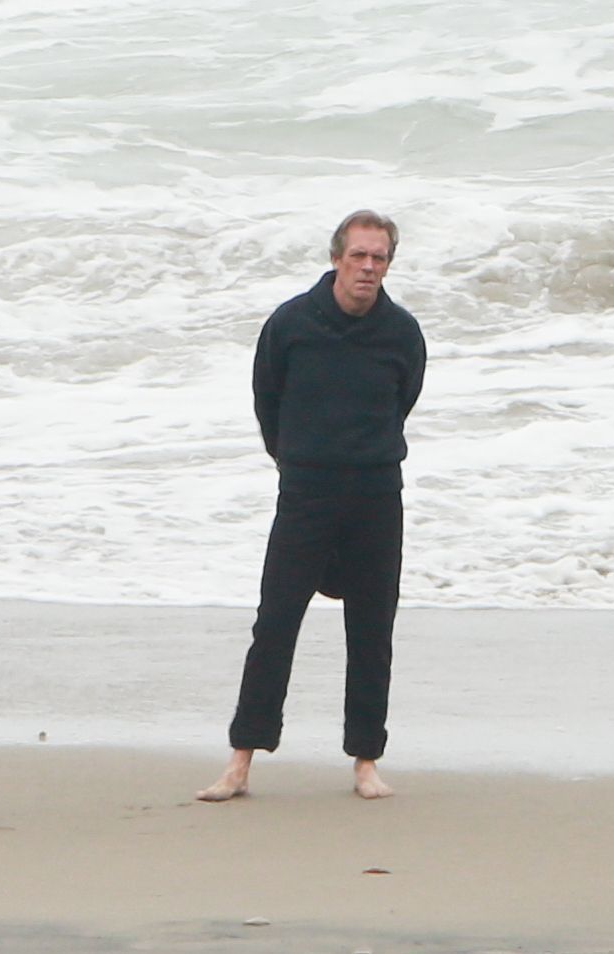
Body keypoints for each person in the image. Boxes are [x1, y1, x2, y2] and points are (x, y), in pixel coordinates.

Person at [198, 210, 425, 803]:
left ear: (388, 265)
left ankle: (366, 761)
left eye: (379, 258)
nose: (368, 267)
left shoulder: (402, 332)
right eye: (359, 256)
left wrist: (362, 457)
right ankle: (241, 760)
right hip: (306, 493)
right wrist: (300, 461)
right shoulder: (291, 324)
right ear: (336, 258)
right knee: (275, 624)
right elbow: (266, 400)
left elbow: (403, 400)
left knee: (372, 629)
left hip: (377, 495)